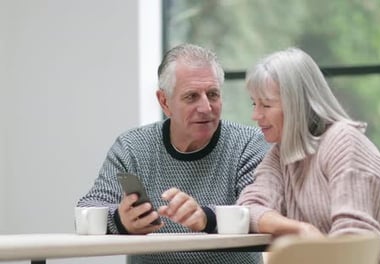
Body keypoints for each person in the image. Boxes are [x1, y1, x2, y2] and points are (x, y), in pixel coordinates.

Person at [77, 43, 269, 264]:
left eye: (213, 94)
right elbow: (86, 211)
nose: (206, 107)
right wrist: (120, 220)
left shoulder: (249, 143)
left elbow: (258, 212)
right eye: (192, 97)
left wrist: (205, 217)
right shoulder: (132, 147)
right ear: (164, 102)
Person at [236, 47, 380, 263]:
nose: (256, 115)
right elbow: (247, 209)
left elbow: (354, 240)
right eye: (255, 103)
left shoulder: (344, 142)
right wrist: (300, 229)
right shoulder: (281, 155)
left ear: (297, 104)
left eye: (266, 104)